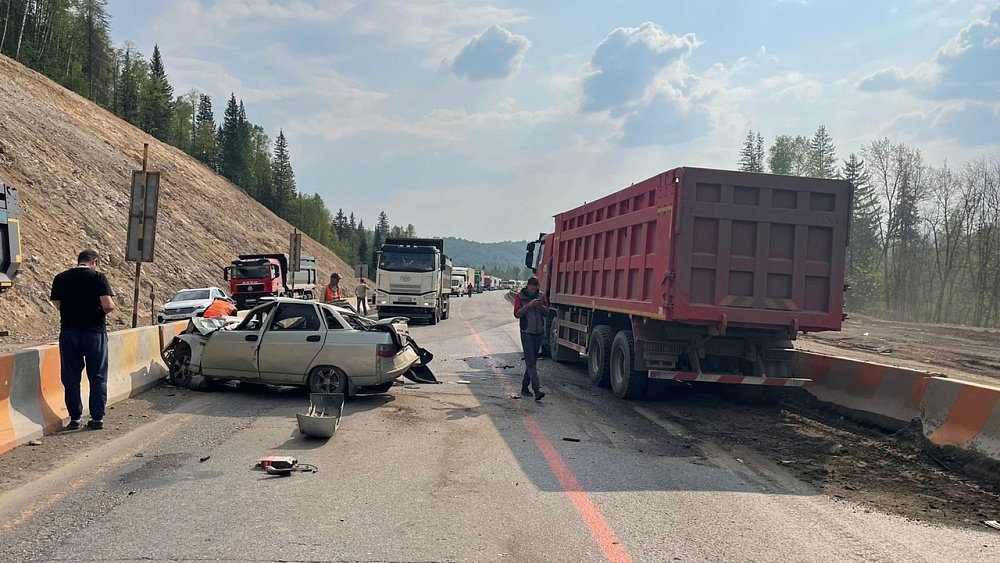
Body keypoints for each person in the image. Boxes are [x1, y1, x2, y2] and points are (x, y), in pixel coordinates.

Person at [49, 249, 115, 430]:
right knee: (98, 377)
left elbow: (57, 305)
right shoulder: (98, 278)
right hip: (94, 333)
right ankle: (97, 419)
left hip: (69, 333)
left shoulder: (61, 278)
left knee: (71, 378)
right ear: (94, 262)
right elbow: (108, 306)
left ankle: (75, 418)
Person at [513, 276, 550, 401]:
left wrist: (540, 306)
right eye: (531, 287)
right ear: (528, 286)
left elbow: (547, 313)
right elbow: (517, 314)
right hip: (526, 332)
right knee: (531, 362)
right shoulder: (520, 296)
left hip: (539, 333)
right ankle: (537, 390)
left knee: (532, 362)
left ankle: (524, 388)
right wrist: (529, 306)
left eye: (535, 288)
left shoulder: (542, 296)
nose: (533, 290)